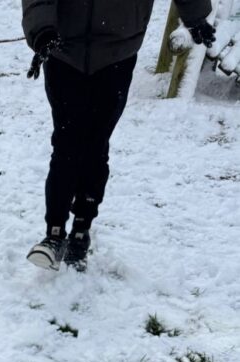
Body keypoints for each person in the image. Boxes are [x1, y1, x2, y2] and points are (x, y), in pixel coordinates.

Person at [22, 0, 215, 270]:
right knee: (66, 143)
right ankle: (54, 234)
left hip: (118, 51)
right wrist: (41, 28)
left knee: (96, 144)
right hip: (64, 50)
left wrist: (195, 16)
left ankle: (81, 230)